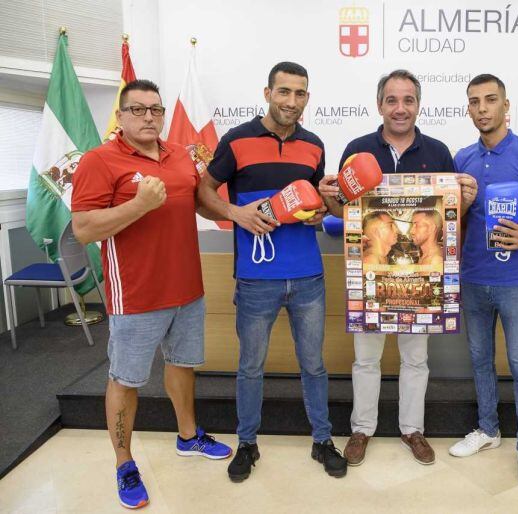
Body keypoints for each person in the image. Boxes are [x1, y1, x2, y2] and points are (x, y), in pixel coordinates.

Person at [71, 79, 231, 510]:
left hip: (187, 289)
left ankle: (187, 436)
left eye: (156, 110)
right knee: (125, 380)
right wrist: (139, 205)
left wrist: (237, 212)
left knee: (182, 366)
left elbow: (198, 201)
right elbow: (84, 228)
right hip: (137, 296)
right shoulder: (99, 161)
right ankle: (124, 463)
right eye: (138, 110)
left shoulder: (180, 155)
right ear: (120, 117)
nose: (148, 117)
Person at [196, 62, 347, 482]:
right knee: (250, 367)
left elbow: (319, 207)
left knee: (314, 365)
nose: (291, 102)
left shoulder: (314, 145)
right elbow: (201, 192)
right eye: (284, 92)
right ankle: (247, 443)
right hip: (255, 279)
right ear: (267, 93)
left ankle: (322, 439)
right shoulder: (237, 140)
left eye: (300, 94)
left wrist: (324, 207)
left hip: (308, 278)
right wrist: (235, 213)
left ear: (307, 98)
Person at [320, 69, 478, 466]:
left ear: (418, 105)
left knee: (416, 359)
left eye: (408, 100)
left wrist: (467, 201)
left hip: (420, 279)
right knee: (366, 359)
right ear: (379, 105)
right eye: (392, 100)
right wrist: (329, 199)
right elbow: (346, 211)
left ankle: (412, 429)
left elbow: (448, 220)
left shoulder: (439, 151)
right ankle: (362, 429)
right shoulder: (358, 150)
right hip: (370, 276)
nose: (400, 108)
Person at [449, 74, 518, 491]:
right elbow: (453, 223)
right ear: (468, 109)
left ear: (505, 105)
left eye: (490, 100)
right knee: (480, 360)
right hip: (474, 278)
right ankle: (488, 429)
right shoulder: (461, 158)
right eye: (475, 102)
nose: (482, 108)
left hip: (516, 282)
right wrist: (461, 206)